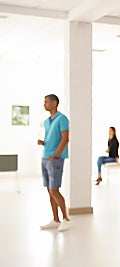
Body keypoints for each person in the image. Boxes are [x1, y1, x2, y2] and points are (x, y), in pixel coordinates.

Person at [37, 94, 70, 232]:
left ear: (55, 103)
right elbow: (52, 139)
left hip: (55, 159)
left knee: (54, 190)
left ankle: (66, 219)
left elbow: (65, 138)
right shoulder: (46, 121)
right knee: (49, 191)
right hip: (45, 158)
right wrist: (43, 143)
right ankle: (55, 220)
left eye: (46, 102)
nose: (44, 104)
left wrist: (56, 155)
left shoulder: (62, 119)